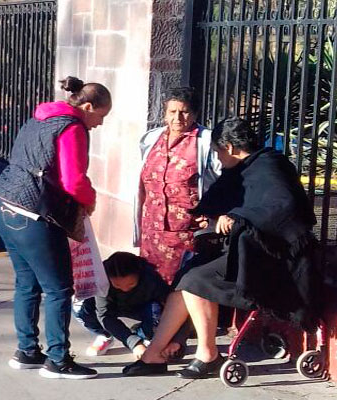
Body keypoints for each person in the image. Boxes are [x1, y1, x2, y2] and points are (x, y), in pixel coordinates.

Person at [123, 118, 323, 379]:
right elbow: (220, 204)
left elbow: (280, 209)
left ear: (228, 147)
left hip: (277, 257)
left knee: (196, 280)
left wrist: (238, 217)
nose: (217, 158)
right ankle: (153, 355)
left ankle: (208, 355)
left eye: (217, 152)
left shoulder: (269, 166)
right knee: (186, 276)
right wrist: (217, 216)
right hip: (247, 249)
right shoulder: (241, 169)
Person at [0, 76, 111, 379]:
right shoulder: (72, 127)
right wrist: (89, 200)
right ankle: (58, 360)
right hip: (32, 214)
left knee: (26, 283)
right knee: (58, 289)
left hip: (1, 202)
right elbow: (73, 180)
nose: (100, 124)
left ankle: (27, 351)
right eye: (101, 116)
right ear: (89, 106)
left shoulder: (40, 117)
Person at [135, 87, 221, 284]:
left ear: (195, 114)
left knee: (182, 282)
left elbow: (221, 179)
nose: (177, 118)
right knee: (151, 281)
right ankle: (156, 315)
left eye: (184, 112)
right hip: (153, 228)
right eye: (172, 112)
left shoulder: (206, 142)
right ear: (165, 113)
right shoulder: (152, 139)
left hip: (185, 230)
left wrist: (212, 213)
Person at [73, 252, 188, 359]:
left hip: (142, 307)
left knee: (156, 311)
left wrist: (177, 340)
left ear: (139, 275)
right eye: (117, 285)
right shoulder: (102, 280)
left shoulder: (151, 279)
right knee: (80, 309)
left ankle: (144, 334)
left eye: (131, 284)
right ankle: (105, 335)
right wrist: (134, 344)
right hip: (112, 307)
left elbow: (177, 310)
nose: (124, 289)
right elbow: (105, 315)